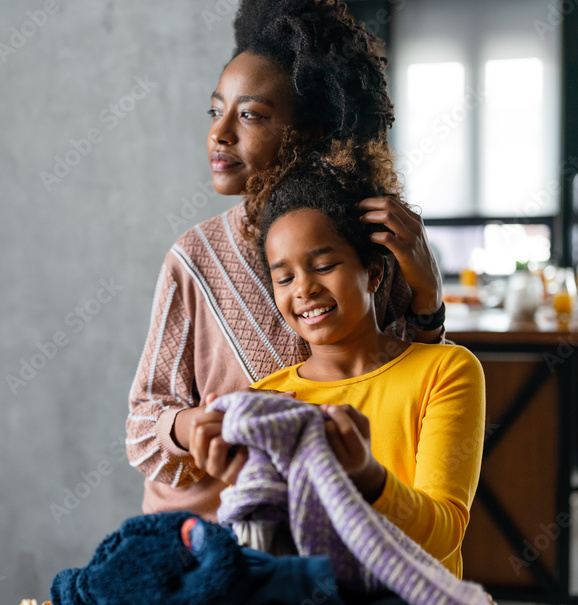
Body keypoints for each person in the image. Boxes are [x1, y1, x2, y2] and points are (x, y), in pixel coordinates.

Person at [126, 0, 446, 520]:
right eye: (216, 110)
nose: (219, 132)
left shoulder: (372, 246)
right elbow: (142, 427)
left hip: (325, 533)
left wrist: (428, 297)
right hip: (203, 538)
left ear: (313, 131)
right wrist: (193, 426)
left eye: (250, 114)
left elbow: (405, 397)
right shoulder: (193, 261)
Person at [207, 147, 486, 578]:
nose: (303, 289)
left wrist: (369, 477)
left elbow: (444, 535)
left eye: (323, 265)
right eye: (284, 278)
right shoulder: (267, 399)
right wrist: (237, 480)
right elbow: (271, 554)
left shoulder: (445, 371)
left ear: (374, 273)